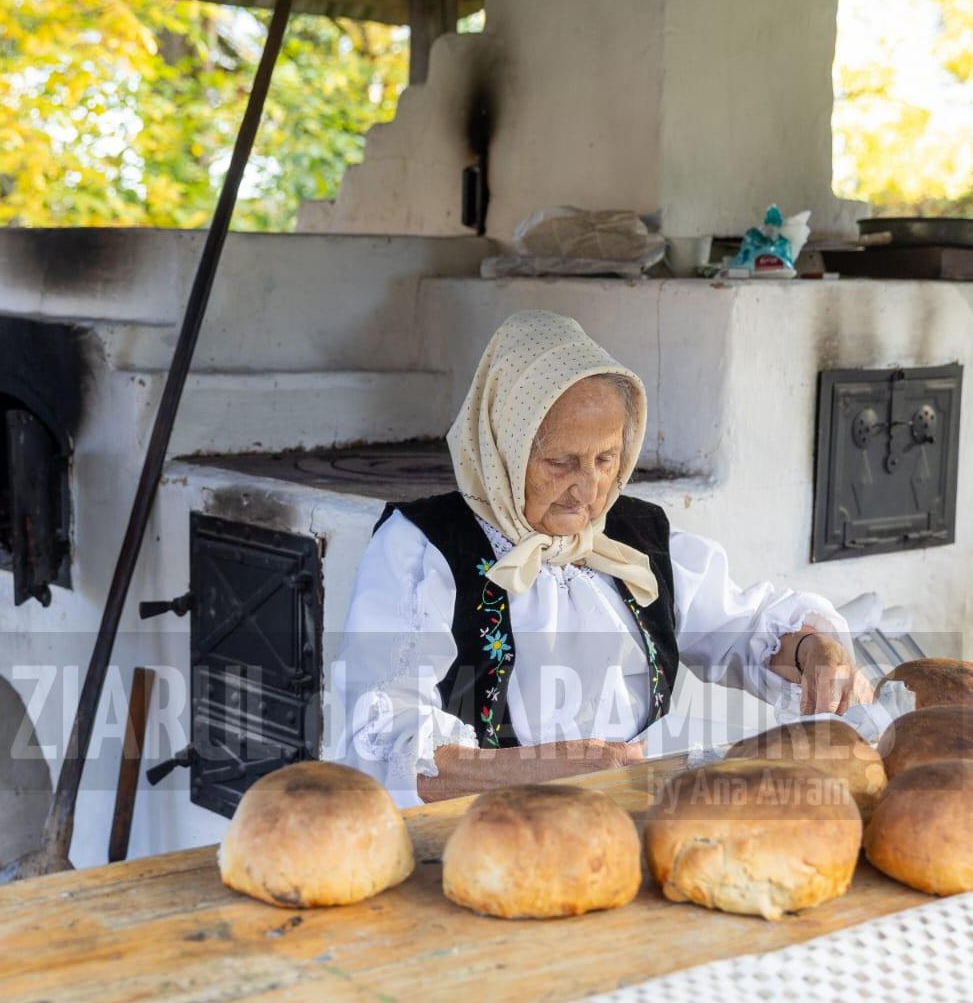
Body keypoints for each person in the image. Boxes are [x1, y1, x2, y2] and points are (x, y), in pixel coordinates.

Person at [331, 311, 871, 806]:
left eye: (607, 457)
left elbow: (745, 628)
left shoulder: (637, 535)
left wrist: (812, 650)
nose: (587, 489)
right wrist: (545, 771)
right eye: (561, 461)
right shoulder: (423, 547)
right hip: (486, 825)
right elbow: (385, 735)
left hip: (631, 809)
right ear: (502, 447)